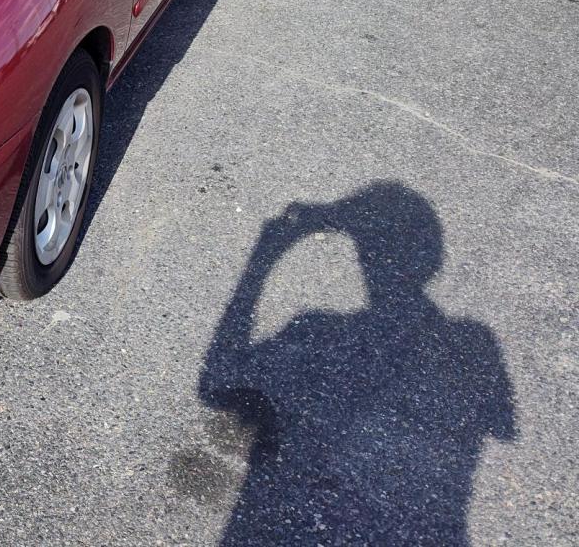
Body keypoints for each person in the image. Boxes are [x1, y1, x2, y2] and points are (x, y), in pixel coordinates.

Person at [200, 182, 516, 544]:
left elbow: (219, 380)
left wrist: (263, 257)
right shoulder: (475, 344)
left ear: (364, 257)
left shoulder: (315, 331)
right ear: (432, 259)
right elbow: (499, 427)